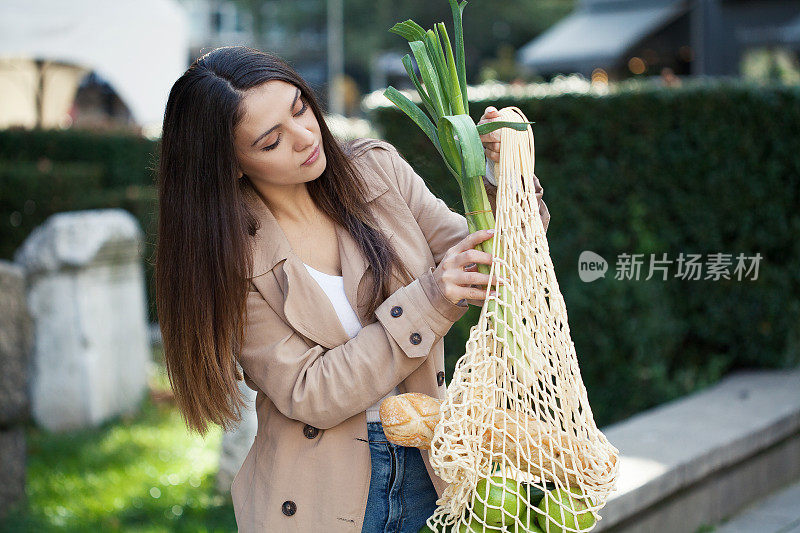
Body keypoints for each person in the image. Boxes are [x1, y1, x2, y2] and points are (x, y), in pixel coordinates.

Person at [155, 45, 550, 533]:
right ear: (231, 164)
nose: (305, 137)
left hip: (434, 463)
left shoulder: (376, 173)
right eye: (270, 141)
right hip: (320, 496)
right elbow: (310, 392)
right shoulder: (231, 258)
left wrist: (499, 177)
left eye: (300, 108)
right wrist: (430, 300)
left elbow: (493, 262)